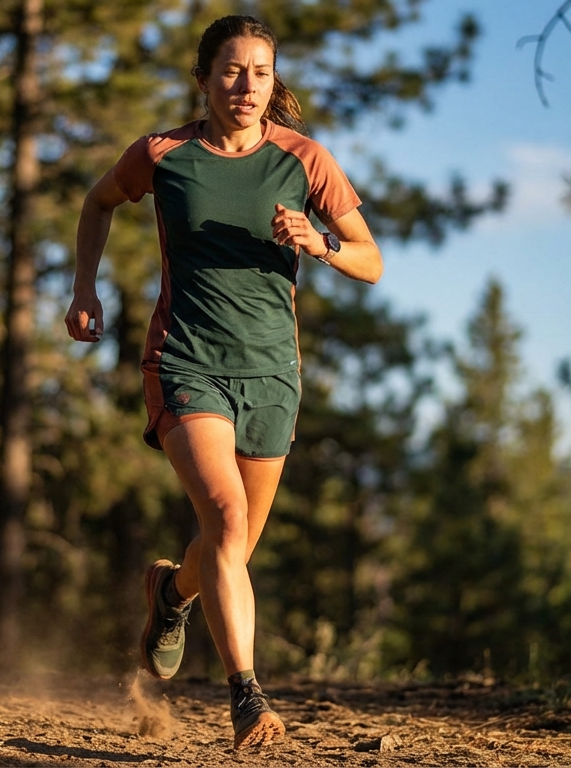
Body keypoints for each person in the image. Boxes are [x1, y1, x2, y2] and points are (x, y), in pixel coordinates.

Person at [64, 14, 382, 750]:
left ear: (276, 82)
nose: (247, 87)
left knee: (230, 546)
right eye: (232, 71)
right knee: (228, 523)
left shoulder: (305, 161)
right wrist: (85, 288)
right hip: (186, 360)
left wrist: (321, 242)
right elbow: (98, 202)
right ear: (203, 77)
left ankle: (171, 594)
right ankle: (246, 694)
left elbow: (372, 259)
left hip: (272, 374)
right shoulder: (164, 154)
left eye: (261, 73)